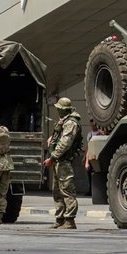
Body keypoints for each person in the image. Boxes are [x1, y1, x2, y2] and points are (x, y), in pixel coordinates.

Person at [43, 97, 82, 230]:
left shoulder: (71, 123)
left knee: (67, 190)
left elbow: (65, 143)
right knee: (57, 191)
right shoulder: (64, 121)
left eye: (59, 109)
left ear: (64, 109)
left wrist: (52, 158)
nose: (58, 111)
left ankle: (70, 220)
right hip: (59, 162)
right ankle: (60, 219)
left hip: (63, 162)